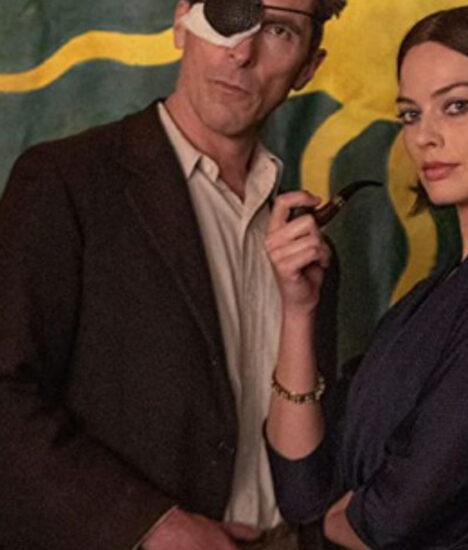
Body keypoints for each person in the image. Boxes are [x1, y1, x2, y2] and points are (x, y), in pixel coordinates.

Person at [0, 0, 344, 548]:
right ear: (182, 19)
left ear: (308, 66)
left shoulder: (307, 247)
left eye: (279, 30)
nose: (242, 51)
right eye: (228, 12)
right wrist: (150, 525)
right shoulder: (65, 183)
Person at [262, 4, 468, 549]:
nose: (424, 137)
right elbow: (303, 488)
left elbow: (386, 519)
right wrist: (298, 312)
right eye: (410, 115)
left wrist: (334, 520)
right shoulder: (435, 297)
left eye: (456, 106)